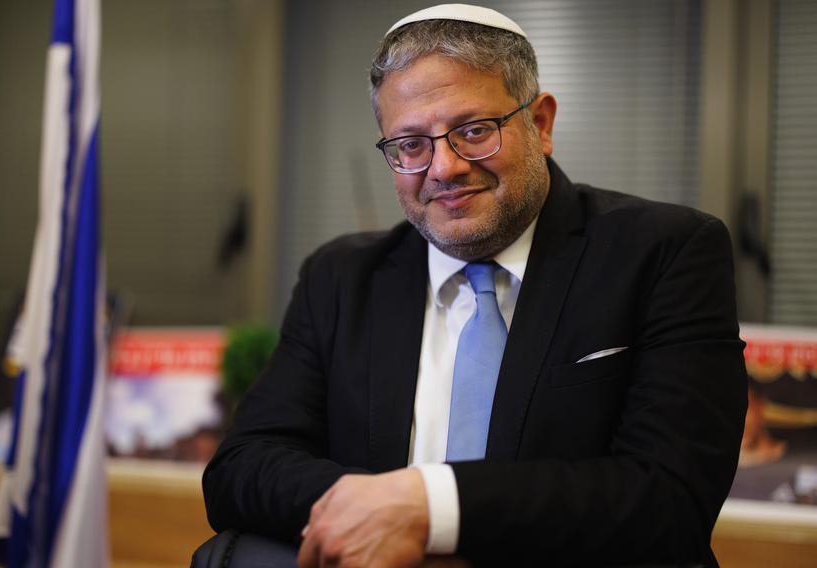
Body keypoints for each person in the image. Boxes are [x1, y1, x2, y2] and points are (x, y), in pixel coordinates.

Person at [202, 4, 747, 566]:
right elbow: (241, 467)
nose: (444, 167)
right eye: (410, 144)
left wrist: (429, 510)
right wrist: (377, 514)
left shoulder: (664, 251)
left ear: (541, 124)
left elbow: (670, 499)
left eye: (474, 130)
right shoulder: (341, 277)